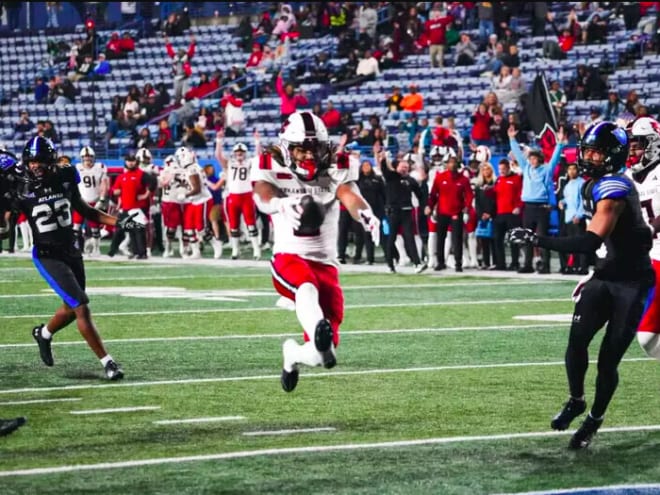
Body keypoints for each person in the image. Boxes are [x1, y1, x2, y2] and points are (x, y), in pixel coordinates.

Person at [507, 121, 655, 450]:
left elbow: (590, 241)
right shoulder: (596, 184)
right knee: (576, 342)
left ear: (613, 156)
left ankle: (595, 419)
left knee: (608, 360)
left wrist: (536, 239)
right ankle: (576, 399)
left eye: (595, 153)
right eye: (586, 150)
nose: (587, 157)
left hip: (630, 283)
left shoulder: (614, 188)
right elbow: (618, 240)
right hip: (604, 275)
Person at [250, 111, 381, 392]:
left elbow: (349, 195)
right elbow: (261, 193)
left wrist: (367, 214)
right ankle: (316, 326)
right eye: (301, 149)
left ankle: (292, 354)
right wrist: (280, 204)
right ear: (287, 148)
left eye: (315, 149)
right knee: (305, 287)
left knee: (323, 354)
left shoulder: (337, 165)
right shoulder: (269, 162)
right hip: (289, 256)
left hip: (327, 265)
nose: (309, 156)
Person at [2, 138, 145, 380]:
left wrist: (120, 222)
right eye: (32, 161)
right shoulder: (20, 188)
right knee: (80, 305)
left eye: (41, 161)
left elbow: (86, 211)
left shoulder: (66, 175)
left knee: (71, 306)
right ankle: (108, 363)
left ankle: (44, 334)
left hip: (71, 250)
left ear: (52, 161)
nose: (36, 166)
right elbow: (6, 228)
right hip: (47, 255)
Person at [625, 117, 660, 360]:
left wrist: (650, 228)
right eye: (631, 145)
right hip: (645, 258)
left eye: (637, 144)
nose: (632, 150)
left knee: (647, 335)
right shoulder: (628, 177)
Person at [215, 129, 261, 260]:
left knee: (251, 224)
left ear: (245, 153)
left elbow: (258, 156)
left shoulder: (249, 162)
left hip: (246, 196)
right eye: (237, 152)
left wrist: (257, 141)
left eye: (241, 152)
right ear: (234, 153)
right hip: (233, 196)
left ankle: (256, 250)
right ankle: (235, 250)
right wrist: (219, 140)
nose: (239, 154)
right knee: (234, 225)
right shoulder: (230, 163)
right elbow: (218, 156)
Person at [380, 149, 427, 274]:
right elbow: (384, 168)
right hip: (393, 212)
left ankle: (417, 263)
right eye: (402, 166)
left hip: (406, 211)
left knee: (409, 237)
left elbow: (420, 195)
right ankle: (390, 264)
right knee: (392, 237)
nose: (404, 169)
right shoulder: (391, 177)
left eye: (406, 167)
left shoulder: (410, 180)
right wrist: (383, 157)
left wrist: (425, 206)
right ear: (396, 167)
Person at [74, 146, 109, 257]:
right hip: (81, 201)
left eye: (89, 159)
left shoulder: (100, 167)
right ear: (81, 159)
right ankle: (76, 248)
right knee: (76, 228)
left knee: (95, 228)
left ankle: (96, 249)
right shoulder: (77, 167)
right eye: (85, 159)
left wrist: (102, 199)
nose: (88, 161)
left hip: (94, 201)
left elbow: (104, 184)